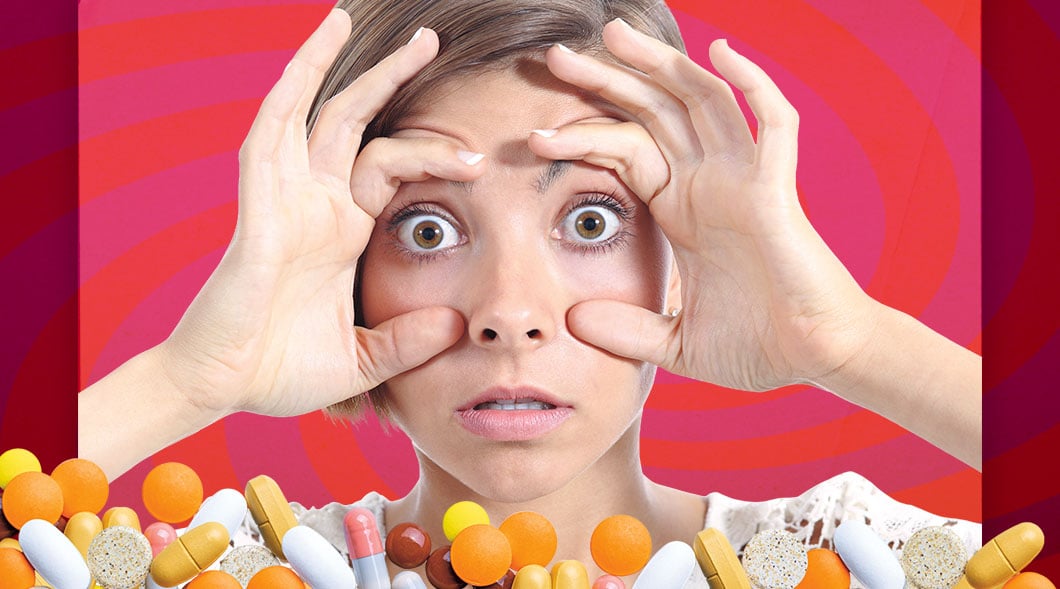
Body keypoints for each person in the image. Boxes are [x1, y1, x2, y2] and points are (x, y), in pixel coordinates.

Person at [79, 0, 982, 585]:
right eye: (426, 229)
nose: (509, 313)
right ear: (350, 273)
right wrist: (191, 376)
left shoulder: (856, 560)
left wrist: (851, 344)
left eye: (590, 220)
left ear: (679, 255)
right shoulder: (227, 566)